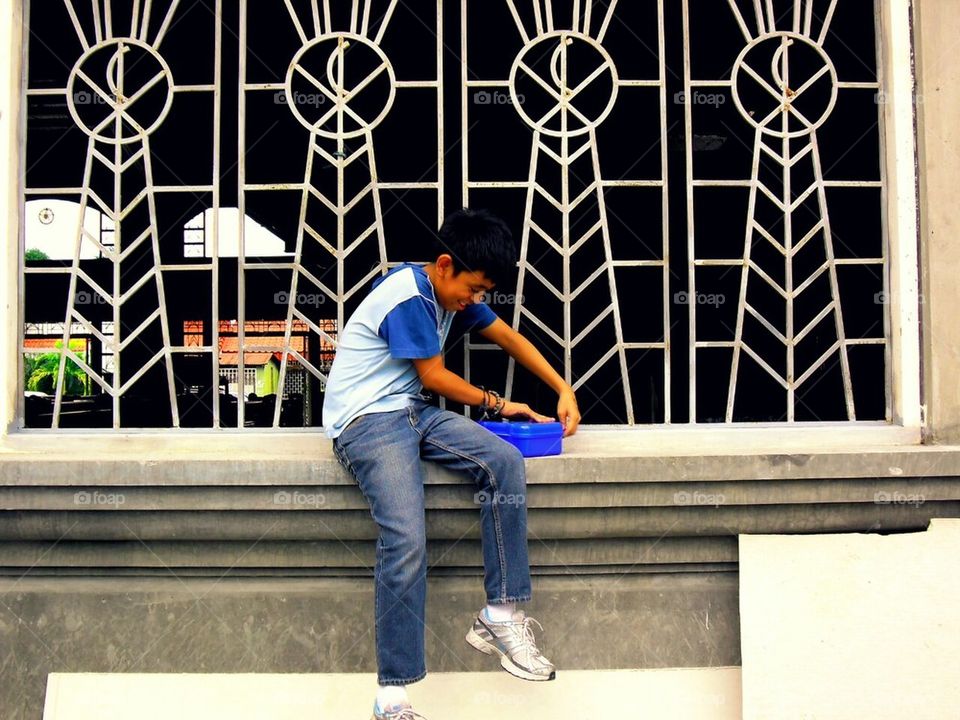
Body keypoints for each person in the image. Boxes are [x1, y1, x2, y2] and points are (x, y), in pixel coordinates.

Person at [322, 208, 580, 720]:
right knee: (405, 538)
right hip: (367, 422)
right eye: (474, 289)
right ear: (445, 265)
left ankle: (499, 614)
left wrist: (562, 387)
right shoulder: (408, 295)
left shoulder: (450, 292)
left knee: (503, 461)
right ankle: (392, 696)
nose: (475, 300)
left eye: (483, 293)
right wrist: (502, 405)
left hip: (411, 412)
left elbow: (508, 337)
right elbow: (436, 376)